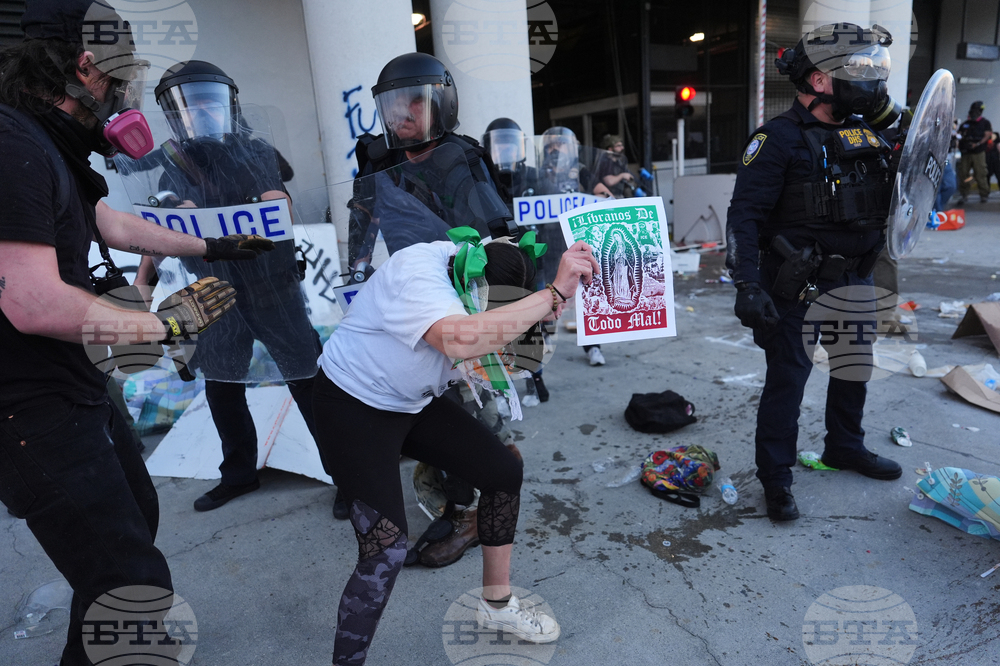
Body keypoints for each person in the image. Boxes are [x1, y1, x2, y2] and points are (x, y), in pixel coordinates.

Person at [0, 2, 267, 662]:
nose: (127, 89)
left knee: (136, 515)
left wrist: (212, 245)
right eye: (123, 70)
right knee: (129, 582)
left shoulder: (46, 143)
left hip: (70, 382)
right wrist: (164, 322)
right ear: (87, 66)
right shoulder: (11, 147)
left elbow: (111, 225)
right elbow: (32, 303)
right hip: (25, 405)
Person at [313, 227, 599, 664]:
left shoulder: (489, 273)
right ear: (471, 287)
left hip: (412, 399)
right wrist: (551, 292)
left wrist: (550, 306)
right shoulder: (418, 270)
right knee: (385, 548)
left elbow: (512, 357)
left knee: (502, 472)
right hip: (352, 401)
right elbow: (461, 339)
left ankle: (497, 608)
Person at [133, 60, 341, 516]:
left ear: (229, 104)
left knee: (307, 381)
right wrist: (143, 279)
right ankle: (239, 474)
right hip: (215, 293)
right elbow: (160, 227)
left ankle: (346, 474)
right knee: (223, 386)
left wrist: (272, 204)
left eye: (210, 103)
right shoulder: (173, 165)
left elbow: (279, 201)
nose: (202, 113)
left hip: (272, 288)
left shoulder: (255, 151)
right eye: (191, 106)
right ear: (173, 114)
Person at [726, 22, 903, 522]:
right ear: (821, 80)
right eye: (861, 71)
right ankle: (776, 480)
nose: (873, 82)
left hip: (857, 278)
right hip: (797, 285)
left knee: (853, 370)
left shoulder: (868, 134)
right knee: (788, 382)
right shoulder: (776, 139)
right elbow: (744, 218)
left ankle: (844, 447)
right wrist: (746, 284)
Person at [349, 53, 519, 567]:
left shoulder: (460, 157)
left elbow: (496, 231)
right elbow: (365, 211)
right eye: (393, 104)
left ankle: (475, 509)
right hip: (407, 296)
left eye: (414, 102)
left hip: (458, 294)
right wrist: (356, 266)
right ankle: (449, 494)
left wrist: (507, 287)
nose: (402, 114)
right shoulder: (376, 156)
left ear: (440, 104)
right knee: (422, 399)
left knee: (478, 412)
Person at [536, 127, 608, 366]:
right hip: (548, 241)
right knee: (549, 294)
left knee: (587, 297)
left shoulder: (581, 172)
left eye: (561, 144)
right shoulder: (539, 174)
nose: (555, 149)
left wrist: (608, 201)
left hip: (576, 243)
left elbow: (602, 192)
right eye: (552, 145)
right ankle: (543, 345)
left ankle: (593, 346)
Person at [957, 101, 993, 204]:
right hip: (966, 152)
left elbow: (987, 135)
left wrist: (977, 144)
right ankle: (964, 194)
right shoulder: (965, 124)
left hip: (978, 152)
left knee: (980, 173)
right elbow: (959, 135)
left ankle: (984, 195)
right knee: (963, 173)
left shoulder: (985, 123)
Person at [593, 134, 635, 198]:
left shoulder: (618, 162)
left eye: (621, 145)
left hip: (618, 194)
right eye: (618, 146)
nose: (622, 148)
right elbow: (609, 181)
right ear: (610, 149)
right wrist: (622, 175)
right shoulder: (605, 161)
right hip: (608, 196)